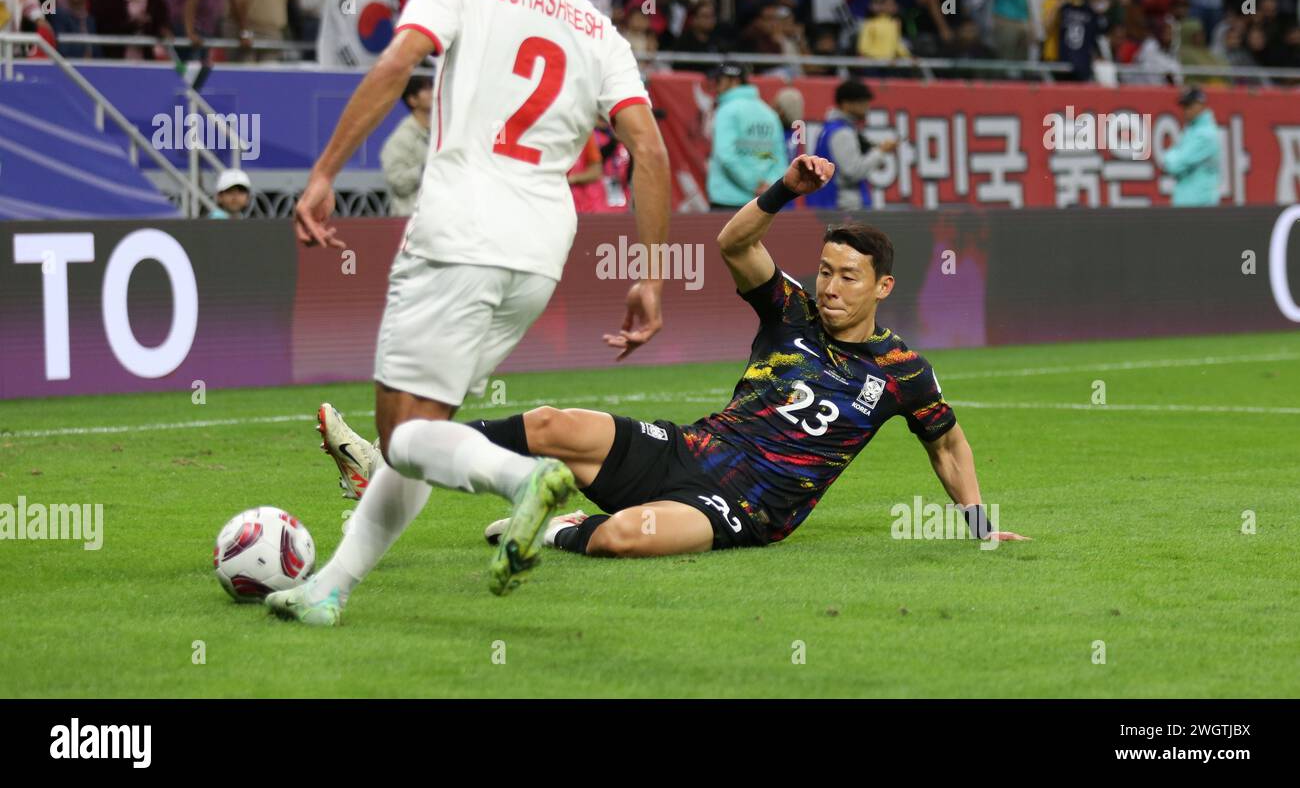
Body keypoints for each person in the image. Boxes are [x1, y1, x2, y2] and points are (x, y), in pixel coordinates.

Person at [270, 0, 673, 626]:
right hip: (541, 249)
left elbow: (395, 67)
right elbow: (648, 154)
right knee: (425, 430)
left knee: (400, 434)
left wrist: (324, 173)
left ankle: (523, 480)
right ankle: (331, 589)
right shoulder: (597, 27)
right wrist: (650, 277)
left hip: (462, 227)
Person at [319, 157, 1026, 560]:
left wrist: (976, 523)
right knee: (551, 422)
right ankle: (384, 463)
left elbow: (950, 445)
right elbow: (733, 244)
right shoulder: (791, 312)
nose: (829, 286)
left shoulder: (904, 371)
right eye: (825, 270)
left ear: (884, 287)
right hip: (691, 447)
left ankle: (560, 526)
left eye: (847, 277)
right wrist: (784, 189)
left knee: (625, 538)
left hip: (749, 508)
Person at [704, 61, 786, 211]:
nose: (716, 86)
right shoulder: (769, 113)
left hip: (727, 199)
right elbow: (779, 158)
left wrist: (754, 184)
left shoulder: (726, 110)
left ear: (734, 80)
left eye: (719, 80)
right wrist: (768, 186)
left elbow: (726, 155)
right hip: (763, 201)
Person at [807, 79, 895, 210]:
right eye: (862, 101)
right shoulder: (843, 133)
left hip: (827, 202)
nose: (867, 106)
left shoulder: (830, 127)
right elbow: (854, 171)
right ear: (846, 103)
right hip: (842, 206)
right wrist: (880, 152)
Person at [1159, 87, 1222, 207]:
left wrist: (1170, 157)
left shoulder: (1206, 135)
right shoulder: (1191, 130)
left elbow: (1174, 165)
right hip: (1187, 204)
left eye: (1189, 106)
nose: (1185, 110)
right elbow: (1173, 157)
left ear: (1200, 105)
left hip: (1201, 206)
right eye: (1184, 106)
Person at [379, 74, 431, 217]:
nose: (433, 93)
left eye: (432, 88)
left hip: (439, 217)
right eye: (426, 90)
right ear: (412, 100)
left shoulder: (441, 131)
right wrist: (426, 169)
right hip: (410, 218)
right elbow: (397, 181)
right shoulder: (401, 138)